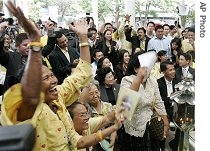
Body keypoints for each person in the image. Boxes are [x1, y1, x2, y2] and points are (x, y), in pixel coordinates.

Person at [0, 1, 126, 151]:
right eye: (46, 78)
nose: (54, 80)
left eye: (52, 75)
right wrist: (34, 42)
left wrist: (83, 39)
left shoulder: (58, 97)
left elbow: (82, 72)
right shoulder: (29, 108)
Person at [117, 51, 169, 151]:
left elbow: (159, 103)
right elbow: (124, 109)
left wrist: (166, 124)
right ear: (136, 69)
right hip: (132, 129)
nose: (149, 70)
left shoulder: (152, 81)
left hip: (150, 126)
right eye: (145, 67)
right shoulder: (127, 80)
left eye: (150, 66)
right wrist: (139, 77)